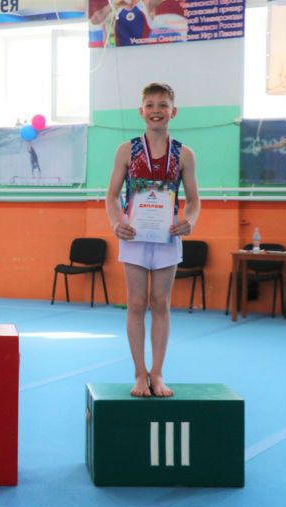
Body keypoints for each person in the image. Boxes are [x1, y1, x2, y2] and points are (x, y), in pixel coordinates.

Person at [105, 83, 200, 397]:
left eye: (163, 105)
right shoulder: (126, 150)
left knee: (160, 303)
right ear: (141, 111)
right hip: (134, 235)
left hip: (167, 235)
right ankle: (139, 373)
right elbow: (111, 195)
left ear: (173, 111)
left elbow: (194, 200)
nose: (156, 111)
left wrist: (190, 221)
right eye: (150, 105)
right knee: (135, 302)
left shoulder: (184, 154)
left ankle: (157, 373)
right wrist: (116, 222)